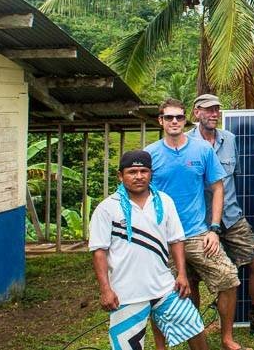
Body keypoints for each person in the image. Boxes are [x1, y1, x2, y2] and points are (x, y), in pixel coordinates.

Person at [144, 99, 245, 350]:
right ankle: (164, 344)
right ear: (161, 121)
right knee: (162, 293)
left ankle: (227, 337)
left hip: (198, 233)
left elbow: (218, 187)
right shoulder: (150, 154)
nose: (174, 121)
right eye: (169, 118)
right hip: (162, 237)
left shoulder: (202, 150)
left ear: (185, 119)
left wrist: (214, 228)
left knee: (228, 278)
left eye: (179, 117)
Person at [89, 150, 209, 350]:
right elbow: (99, 250)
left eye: (144, 171)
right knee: (127, 346)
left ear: (151, 173)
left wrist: (181, 274)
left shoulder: (164, 201)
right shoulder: (107, 208)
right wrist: (105, 289)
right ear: (120, 175)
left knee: (194, 327)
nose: (138, 176)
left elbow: (177, 240)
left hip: (164, 287)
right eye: (132, 171)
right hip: (126, 293)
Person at [187, 94, 254, 331]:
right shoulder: (186, 143)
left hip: (231, 217)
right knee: (192, 276)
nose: (213, 114)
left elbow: (233, 179)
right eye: (208, 110)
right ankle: (194, 326)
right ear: (196, 113)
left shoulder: (230, 139)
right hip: (199, 222)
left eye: (216, 110)